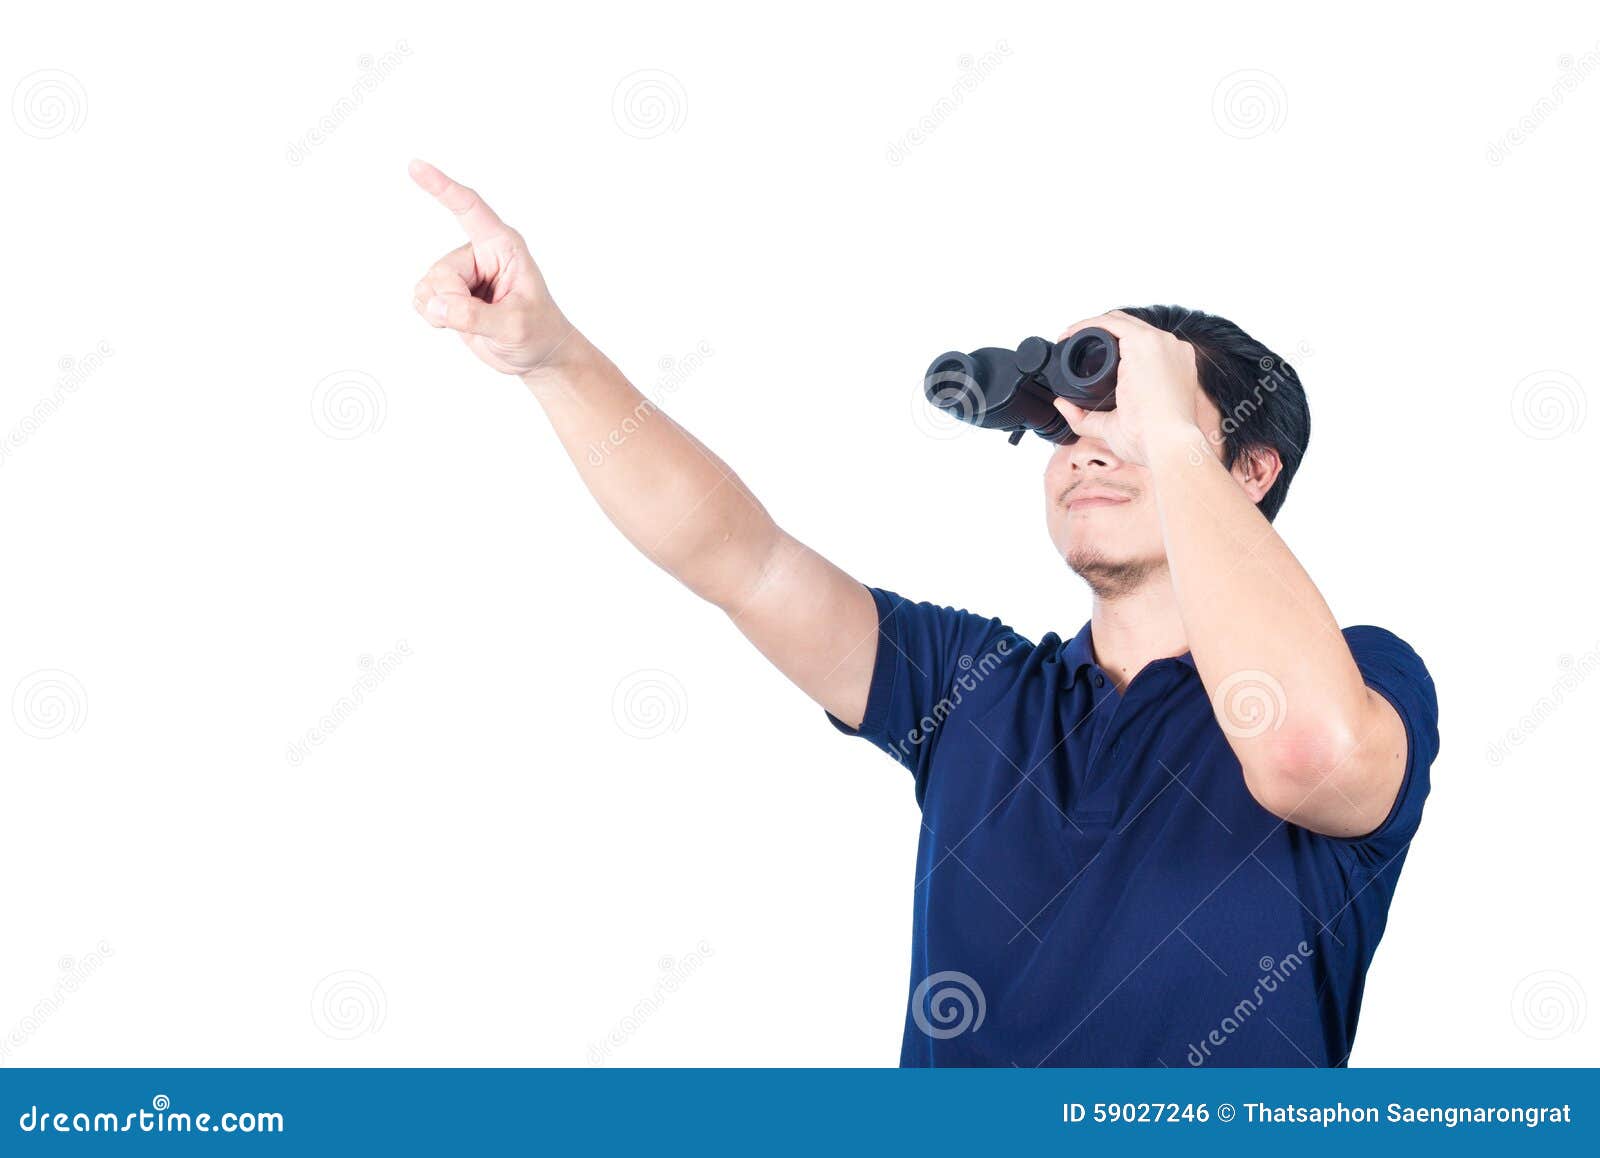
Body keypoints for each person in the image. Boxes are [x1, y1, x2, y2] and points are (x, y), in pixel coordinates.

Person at [407, 160, 1439, 1068]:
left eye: (1135, 420)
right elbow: (741, 560)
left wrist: (1168, 430)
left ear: (1250, 470)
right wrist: (552, 358)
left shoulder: (1362, 676)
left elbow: (1304, 750)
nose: (1085, 447)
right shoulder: (975, 688)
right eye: (1070, 429)